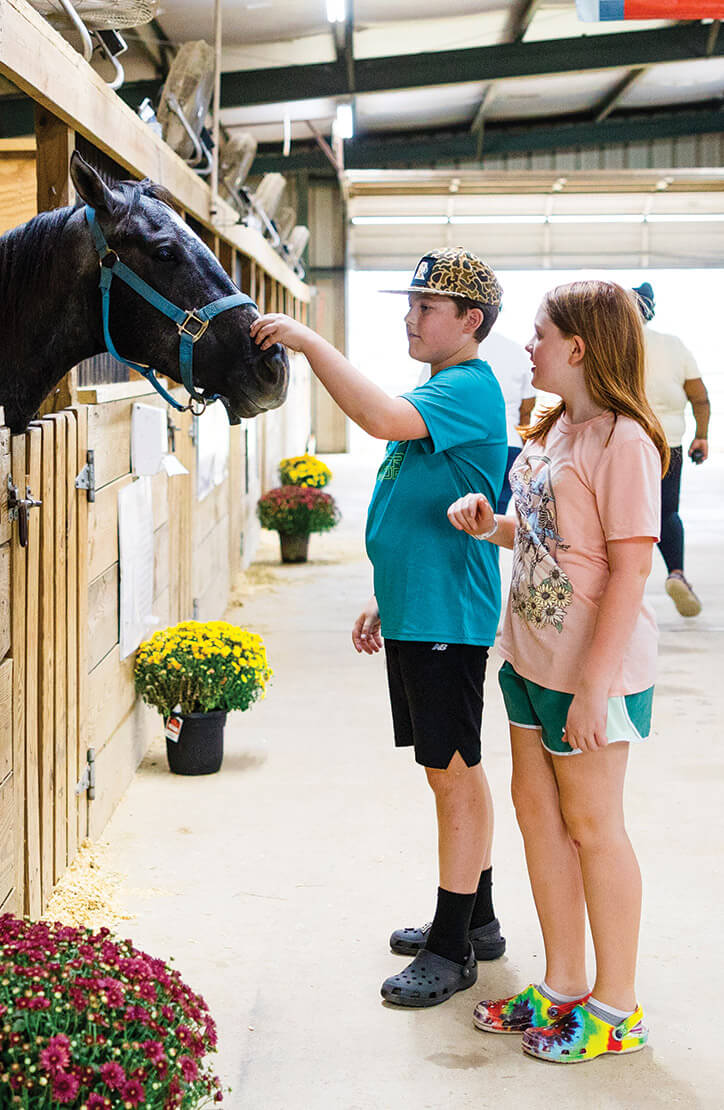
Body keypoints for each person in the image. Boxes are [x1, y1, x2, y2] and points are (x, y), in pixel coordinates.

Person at [251, 248, 508, 1008]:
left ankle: (452, 946)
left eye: (428, 306)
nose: (411, 315)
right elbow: (415, 503)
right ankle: (480, 919)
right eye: (412, 303)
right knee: (452, 768)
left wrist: (309, 341)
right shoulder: (441, 388)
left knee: (452, 773)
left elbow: (372, 418)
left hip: (447, 618)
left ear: (471, 321)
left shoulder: (466, 387)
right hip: (417, 609)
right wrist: (384, 596)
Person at [447, 280, 667, 1063]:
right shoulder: (552, 429)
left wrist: (594, 690)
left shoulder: (625, 443)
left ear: (579, 348)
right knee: (540, 819)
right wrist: (492, 526)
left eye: (539, 334)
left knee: (594, 828)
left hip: (589, 675)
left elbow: (631, 575)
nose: (528, 346)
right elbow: (548, 541)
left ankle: (618, 1008)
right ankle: (565, 984)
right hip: (529, 658)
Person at [632, 282, 710, 617]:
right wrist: (701, 436)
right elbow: (700, 397)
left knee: (617, 515)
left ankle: (620, 585)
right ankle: (676, 573)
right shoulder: (674, 346)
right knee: (665, 512)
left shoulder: (612, 343)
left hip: (624, 441)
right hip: (669, 442)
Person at [420, 331, 535, 513]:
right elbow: (526, 413)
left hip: (463, 448)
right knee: (493, 520)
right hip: (510, 448)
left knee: (458, 520)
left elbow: (426, 404)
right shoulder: (516, 351)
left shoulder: (450, 350)